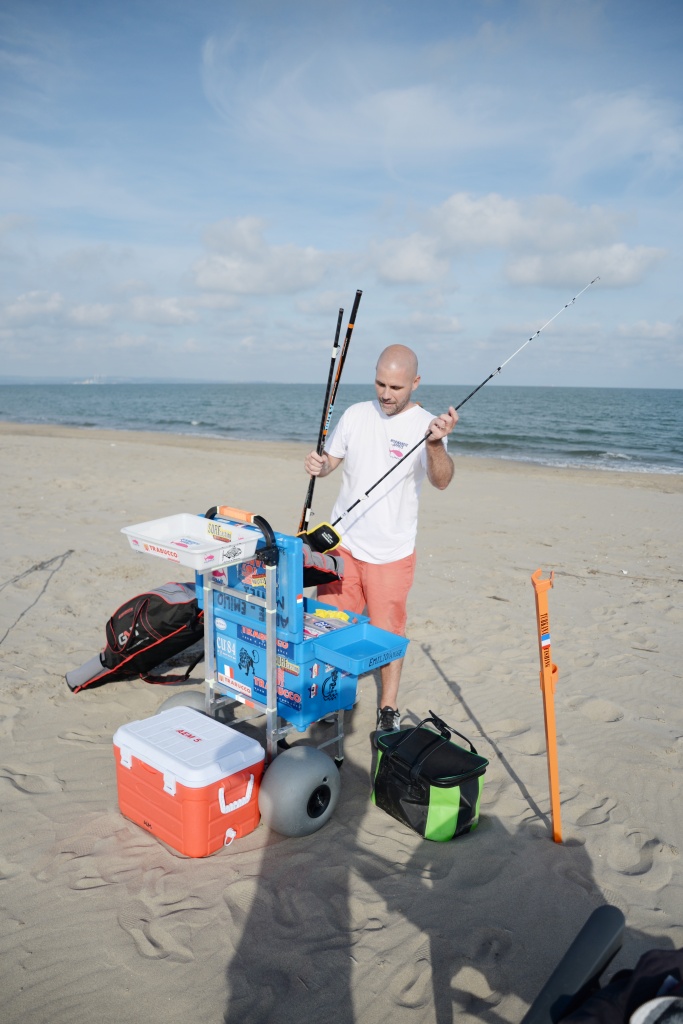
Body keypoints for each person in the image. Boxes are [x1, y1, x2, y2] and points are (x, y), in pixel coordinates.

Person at [304, 344, 458, 739]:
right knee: (331, 626)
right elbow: (331, 462)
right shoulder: (356, 414)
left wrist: (436, 444)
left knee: (388, 636)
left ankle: (387, 708)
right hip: (343, 545)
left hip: (391, 553)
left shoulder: (428, 427)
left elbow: (442, 481)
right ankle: (332, 696)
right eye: (379, 383)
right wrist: (319, 467)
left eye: (395, 386)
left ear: (415, 383)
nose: (385, 394)